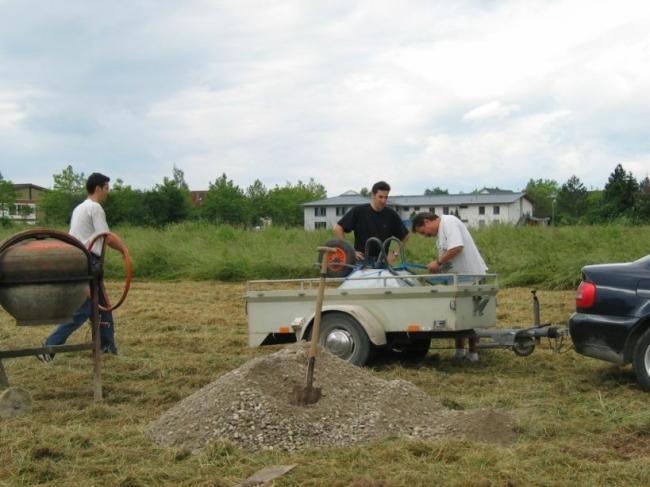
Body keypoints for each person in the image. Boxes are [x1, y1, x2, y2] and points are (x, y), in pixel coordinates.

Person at [38, 173, 125, 362]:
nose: (108, 193)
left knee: (103, 310)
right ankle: (49, 345)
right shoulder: (95, 208)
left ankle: (108, 350)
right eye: (107, 188)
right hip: (87, 263)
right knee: (84, 310)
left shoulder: (79, 208)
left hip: (78, 260)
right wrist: (124, 250)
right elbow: (106, 237)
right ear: (99, 188)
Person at [411, 211, 488, 362]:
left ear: (427, 221)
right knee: (457, 314)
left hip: (471, 276)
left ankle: (473, 354)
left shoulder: (449, 222)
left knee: (471, 315)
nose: (425, 236)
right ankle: (459, 351)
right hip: (458, 279)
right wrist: (439, 268)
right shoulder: (441, 233)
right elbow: (450, 255)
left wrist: (438, 262)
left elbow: (457, 247)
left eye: (423, 232)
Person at [333, 181, 409, 263]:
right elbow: (338, 228)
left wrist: (395, 253)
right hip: (361, 261)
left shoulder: (391, 214)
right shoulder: (359, 211)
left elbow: (406, 235)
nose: (383, 201)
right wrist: (349, 251)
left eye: (386, 197)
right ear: (373, 195)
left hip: (382, 261)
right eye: (380, 197)